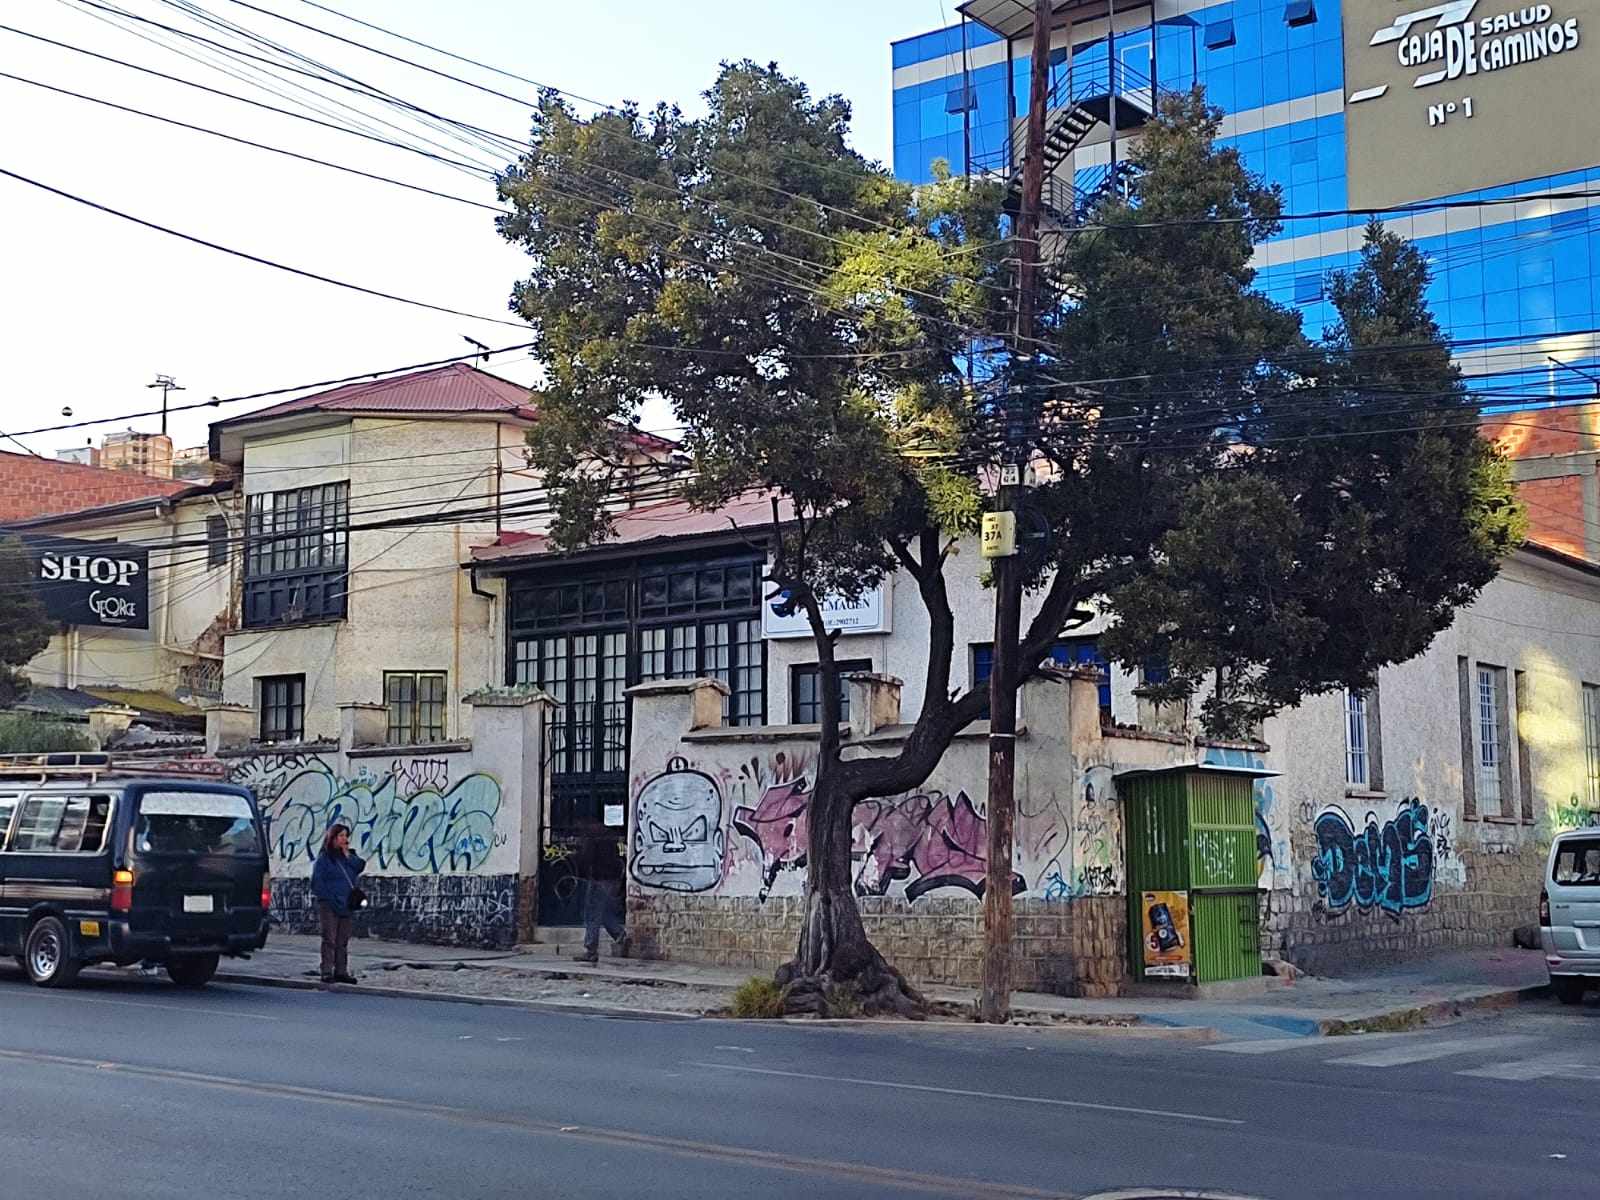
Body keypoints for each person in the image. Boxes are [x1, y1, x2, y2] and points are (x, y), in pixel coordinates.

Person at [311, 824, 365, 984]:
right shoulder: (324, 859)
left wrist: (347, 854)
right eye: (340, 836)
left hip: (346, 903)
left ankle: (341, 971)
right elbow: (317, 883)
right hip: (329, 904)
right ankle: (326, 971)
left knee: (343, 940)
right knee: (330, 939)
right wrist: (329, 898)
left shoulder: (349, 858)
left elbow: (360, 866)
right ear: (332, 838)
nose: (344, 839)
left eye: (345, 836)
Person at [575, 838, 627, 964]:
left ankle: (591, 950)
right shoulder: (609, 837)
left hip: (599, 879)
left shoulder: (593, 837)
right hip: (611, 878)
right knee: (602, 911)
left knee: (592, 913)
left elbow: (586, 859)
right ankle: (620, 934)